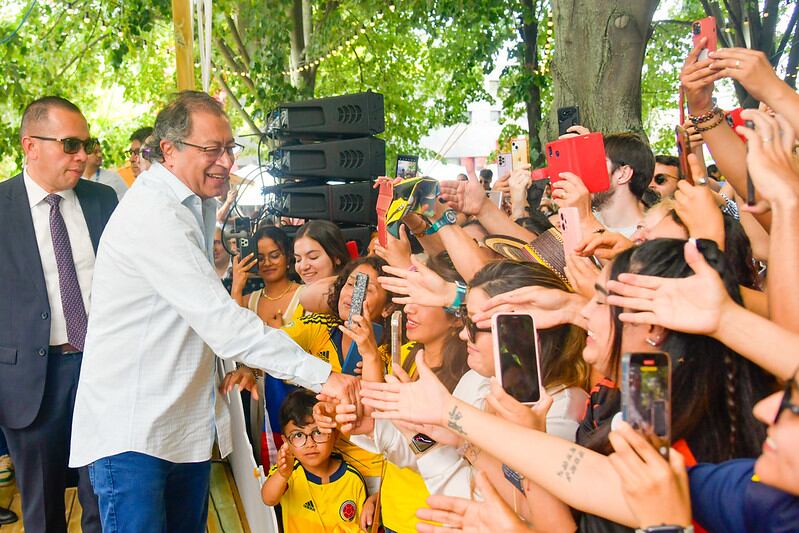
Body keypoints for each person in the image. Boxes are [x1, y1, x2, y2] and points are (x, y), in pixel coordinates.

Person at [68, 91, 358, 531]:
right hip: (133, 432)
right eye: (211, 150)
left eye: (229, 148)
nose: (226, 161)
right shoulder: (154, 213)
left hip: (181, 426)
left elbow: (192, 312)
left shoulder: (196, 204)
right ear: (169, 150)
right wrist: (327, 377)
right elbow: (221, 321)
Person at [0, 96, 116, 533]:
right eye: (70, 145)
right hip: (29, 382)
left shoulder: (102, 200)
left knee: (104, 500)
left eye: (86, 144)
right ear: (30, 146)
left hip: (102, 371)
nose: (83, 155)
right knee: (44, 512)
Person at [261, 390, 366, 533]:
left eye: (318, 432)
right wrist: (282, 475)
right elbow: (268, 499)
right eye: (298, 435)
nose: (310, 443)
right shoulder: (287, 473)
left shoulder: (353, 479)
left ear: (335, 435)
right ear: (286, 442)